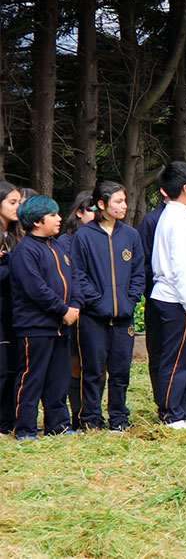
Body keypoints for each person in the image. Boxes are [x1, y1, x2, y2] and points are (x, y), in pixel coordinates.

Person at [71, 182, 144, 432]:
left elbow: (138, 273)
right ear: (102, 205)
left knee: (121, 371)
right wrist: (97, 302)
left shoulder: (131, 235)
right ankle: (91, 417)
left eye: (125, 201)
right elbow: (78, 276)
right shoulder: (83, 236)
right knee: (92, 370)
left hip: (123, 318)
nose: (124, 206)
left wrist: (130, 299)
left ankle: (119, 417)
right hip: (94, 317)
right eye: (118, 202)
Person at [9, 195, 82, 439]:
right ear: (37, 221)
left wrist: (75, 306)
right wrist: (63, 310)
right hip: (36, 327)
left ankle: (58, 425)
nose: (59, 218)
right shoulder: (25, 251)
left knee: (58, 380)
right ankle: (26, 428)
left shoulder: (58, 246)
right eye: (52, 215)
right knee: (31, 379)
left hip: (61, 326)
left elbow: (73, 279)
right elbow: (35, 289)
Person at [150, 161, 186, 430]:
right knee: (175, 358)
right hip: (176, 299)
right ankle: (171, 413)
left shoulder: (181, 215)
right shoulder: (177, 219)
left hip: (181, 298)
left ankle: (185, 409)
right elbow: (180, 265)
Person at [62, 190, 97, 430]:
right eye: (90, 209)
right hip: (74, 310)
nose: (96, 214)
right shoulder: (66, 241)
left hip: (98, 310)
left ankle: (93, 413)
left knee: (97, 365)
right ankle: (77, 414)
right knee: (76, 362)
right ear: (78, 212)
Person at [0, 181, 22, 434]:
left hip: (15, 311)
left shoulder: (16, 235)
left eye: (19, 202)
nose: (17, 207)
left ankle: (8, 420)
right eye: (12, 202)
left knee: (13, 368)